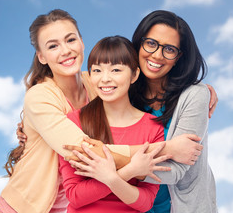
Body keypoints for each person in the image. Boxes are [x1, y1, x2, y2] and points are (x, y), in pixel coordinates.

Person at [0, 9, 174, 213]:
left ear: (81, 42)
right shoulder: (40, 96)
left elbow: (137, 78)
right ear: (41, 56)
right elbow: (82, 150)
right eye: (53, 46)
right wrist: (165, 150)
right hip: (21, 208)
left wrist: (202, 91)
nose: (65, 51)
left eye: (70, 40)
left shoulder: (97, 82)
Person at [68, 10, 218, 212]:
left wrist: (104, 162)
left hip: (181, 206)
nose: (157, 55)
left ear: (179, 57)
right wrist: (32, 126)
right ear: (139, 43)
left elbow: (175, 171)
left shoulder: (194, 96)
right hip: (131, 204)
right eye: (151, 44)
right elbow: (72, 82)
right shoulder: (121, 90)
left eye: (170, 49)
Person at [59, 35, 168, 212]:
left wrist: (110, 177)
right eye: (97, 70)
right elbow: (75, 195)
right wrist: (129, 171)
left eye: (116, 70)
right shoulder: (74, 122)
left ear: (134, 75)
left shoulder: (153, 127)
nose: (105, 79)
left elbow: (146, 202)